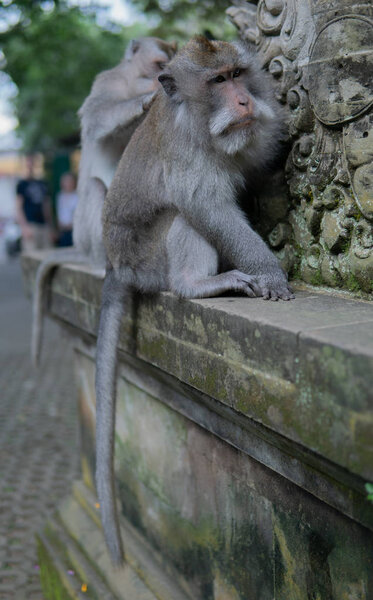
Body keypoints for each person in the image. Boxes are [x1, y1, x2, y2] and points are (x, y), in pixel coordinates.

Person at [16, 156, 53, 252]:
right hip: (31, 225)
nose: (30, 167)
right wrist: (24, 227)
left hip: (44, 226)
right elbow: (18, 207)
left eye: (32, 164)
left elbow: (47, 207)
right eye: (28, 165)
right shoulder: (21, 184)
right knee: (32, 256)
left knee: (47, 255)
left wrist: (50, 226)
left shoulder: (43, 183)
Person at [56, 172, 78, 247]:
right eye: (66, 181)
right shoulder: (60, 196)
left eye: (70, 181)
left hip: (74, 230)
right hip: (63, 231)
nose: (68, 183)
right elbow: (60, 212)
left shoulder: (77, 196)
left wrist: (71, 225)